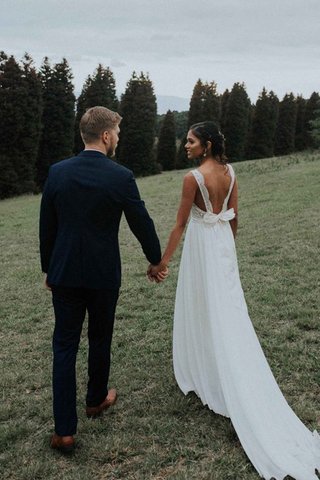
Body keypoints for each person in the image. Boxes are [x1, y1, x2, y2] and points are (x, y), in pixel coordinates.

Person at [148, 121, 320, 480]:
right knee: (227, 309)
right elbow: (235, 218)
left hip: (201, 246)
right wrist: (227, 251)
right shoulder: (231, 172)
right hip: (222, 244)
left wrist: (162, 262)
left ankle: (211, 369)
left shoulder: (192, 178)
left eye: (191, 141)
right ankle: (214, 364)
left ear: (206, 145)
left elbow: (180, 224)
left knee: (204, 306)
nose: (186, 146)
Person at [40, 106, 166, 453]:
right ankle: (95, 400)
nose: (118, 140)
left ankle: (64, 430)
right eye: (118, 134)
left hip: (64, 272)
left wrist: (48, 268)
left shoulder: (57, 172)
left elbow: (47, 225)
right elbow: (141, 222)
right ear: (107, 136)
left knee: (64, 346)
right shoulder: (120, 176)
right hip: (103, 274)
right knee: (100, 337)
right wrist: (155, 260)